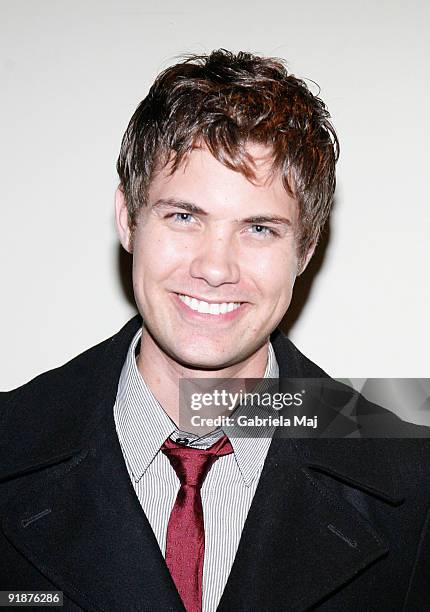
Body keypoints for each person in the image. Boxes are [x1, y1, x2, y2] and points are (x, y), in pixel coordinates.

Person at [0, 50, 429, 612]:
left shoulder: (411, 483)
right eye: (184, 216)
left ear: (305, 249)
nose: (216, 267)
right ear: (128, 218)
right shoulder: (12, 444)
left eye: (259, 228)